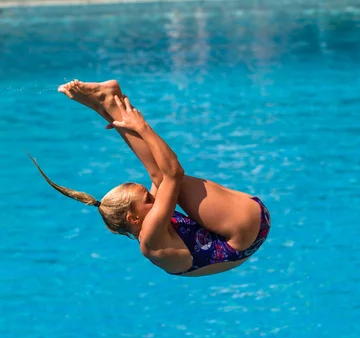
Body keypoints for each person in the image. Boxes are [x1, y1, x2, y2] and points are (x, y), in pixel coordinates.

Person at [31, 79, 271, 277]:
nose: (152, 197)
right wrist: (142, 127)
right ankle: (110, 102)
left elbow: (160, 178)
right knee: (170, 178)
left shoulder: (145, 221)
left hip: (242, 232)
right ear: (133, 217)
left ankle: (108, 104)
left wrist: (108, 117)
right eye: (147, 199)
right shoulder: (151, 240)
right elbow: (174, 173)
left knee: (160, 178)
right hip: (243, 234)